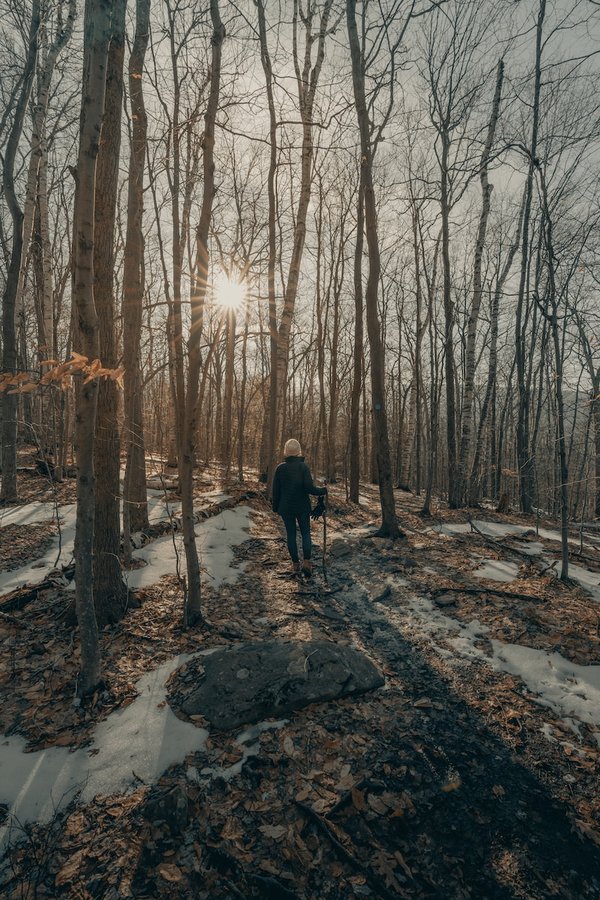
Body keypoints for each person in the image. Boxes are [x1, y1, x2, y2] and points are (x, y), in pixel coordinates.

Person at [272, 438, 327, 577]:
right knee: (305, 533)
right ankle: (307, 563)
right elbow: (309, 488)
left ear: (286, 451)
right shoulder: (303, 467)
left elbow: (275, 491)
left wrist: (275, 508)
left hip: (286, 508)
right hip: (302, 507)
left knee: (291, 535)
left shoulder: (280, 468)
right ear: (298, 451)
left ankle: (295, 564)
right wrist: (323, 490)